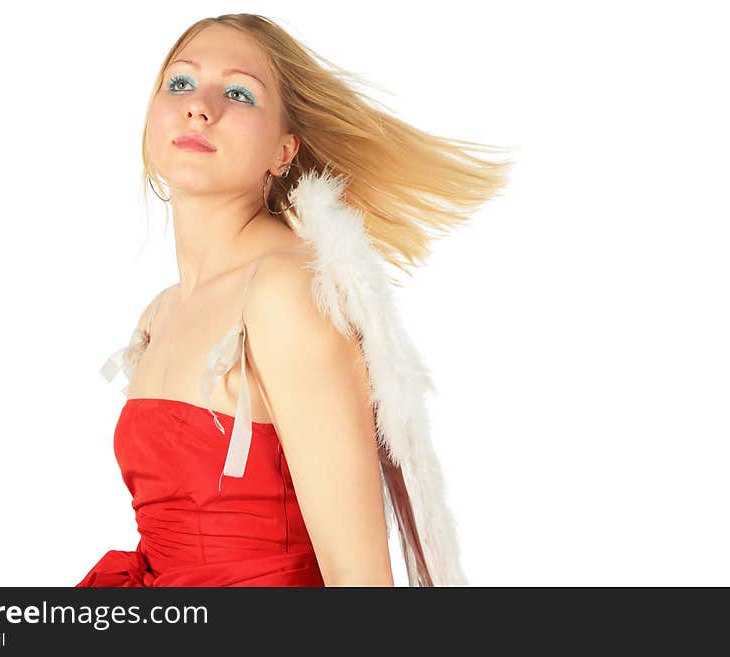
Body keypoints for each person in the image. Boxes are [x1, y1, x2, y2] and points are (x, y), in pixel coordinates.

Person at [76, 13, 513, 588]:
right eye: (180, 83)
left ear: (284, 152)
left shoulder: (283, 292)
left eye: (238, 92)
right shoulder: (161, 313)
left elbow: (362, 582)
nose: (199, 106)